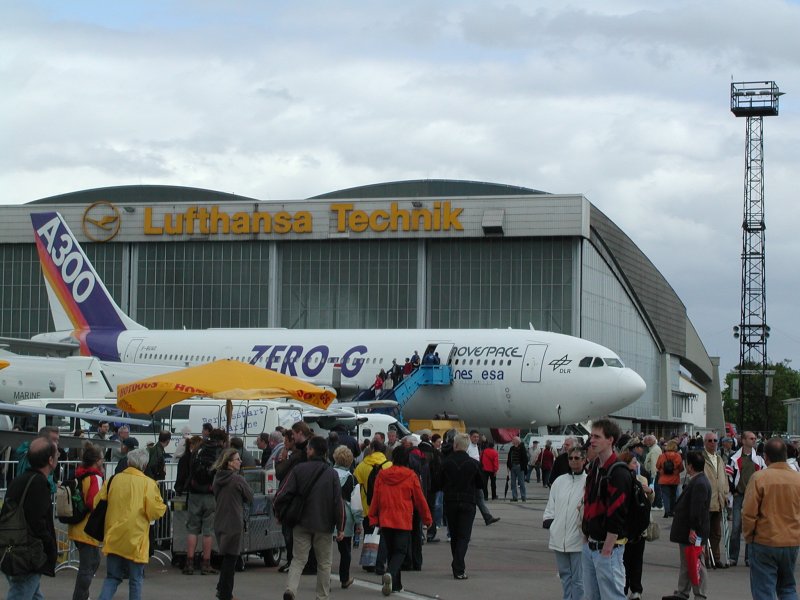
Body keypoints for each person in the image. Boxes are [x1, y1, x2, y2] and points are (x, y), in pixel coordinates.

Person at [274, 436, 345, 600]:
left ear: (312, 450)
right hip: (324, 524)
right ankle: (322, 596)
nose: (306, 451)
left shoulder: (298, 470)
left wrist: (279, 514)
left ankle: (291, 589)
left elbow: (282, 494)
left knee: (298, 559)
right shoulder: (332, 473)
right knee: (324, 563)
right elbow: (338, 503)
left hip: (301, 522)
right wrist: (340, 527)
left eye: (308, 449)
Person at [95, 447, 167, 600]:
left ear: (128, 462)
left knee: (112, 577)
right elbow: (155, 511)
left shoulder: (113, 480)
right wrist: (162, 506)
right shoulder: (148, 483)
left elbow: (97, 502)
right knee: (136, 580)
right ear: (144, 465)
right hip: (136, 538)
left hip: (114, 535)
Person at [369, 446, 432, 595]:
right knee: (401, 551)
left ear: (393, 458)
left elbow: (375, 498)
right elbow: (420, 500)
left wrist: (373, 517)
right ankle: (390, 574)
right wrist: (427, 519)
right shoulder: (411, 475)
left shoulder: (382, 475)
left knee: (392, 552)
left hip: (385, 519)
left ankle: (396, 585)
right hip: (403, 519)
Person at [742, 437, 800, 599]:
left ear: (766, 457)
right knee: (788, 587)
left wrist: (749, 536)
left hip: (765, 540)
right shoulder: (797, 479)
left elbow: (749, 513)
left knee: (764, 590)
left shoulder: (759, 478)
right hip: (791, 541)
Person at [1, 437, 58, 600]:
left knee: (33, 594)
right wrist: (50, 548)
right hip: (27, 556)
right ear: (50, 460)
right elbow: (38, 523)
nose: (59, 456)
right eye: (57, 454)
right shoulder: (38, 484)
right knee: (21, 593)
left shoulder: (19, 480)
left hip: (13, 550)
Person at [581, 418, 631, 600]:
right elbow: (588, 504)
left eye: (597, 437)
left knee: (612, 597)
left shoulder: (618, 472)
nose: (592, 440)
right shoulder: (595, 467)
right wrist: (585, 540)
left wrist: (606, 551)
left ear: (610, 440)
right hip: (591, 546)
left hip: (608, 550)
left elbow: (616, 515)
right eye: (591, 436)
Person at [662, 451, 711, 600]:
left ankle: (700, 594)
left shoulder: (699, 483)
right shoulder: (698, 480)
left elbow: (697, 509)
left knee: (696, 563)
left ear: (690, 466)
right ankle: (682, 592)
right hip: (690, 530)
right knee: (687, 562)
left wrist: (693, 529)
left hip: (693, 531)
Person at [543, 446, 587, 600]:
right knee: (564, 575)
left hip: (578, 538)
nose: (573, 461)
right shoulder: (560, 481)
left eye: (577, 458)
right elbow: (551, 504)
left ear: (584, 460)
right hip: (559, 536)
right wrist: (550, 522)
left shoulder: (588, 481)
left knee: (579, 578)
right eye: (570, 458)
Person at [440, 433, 484, 580]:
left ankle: (457, 564)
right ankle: (458, 566)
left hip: (451, 501)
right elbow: (481, 484)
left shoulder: (446, 462)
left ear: (455, 445)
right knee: (464, 536)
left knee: (454, 535)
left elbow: (437, 483)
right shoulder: (474, 464)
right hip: (468, 501)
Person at [184, 428, 227, 575]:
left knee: (192, 528)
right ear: (222, 440)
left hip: (194, 492)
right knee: (208, 531)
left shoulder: (198, 449)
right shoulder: (220, 452)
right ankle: (206, 563)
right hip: (210, 494)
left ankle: (189, 563)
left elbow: (190, 469)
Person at [212, 447, 253, 600]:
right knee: (231, 559)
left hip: (220, 519)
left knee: (227, 557)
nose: (240, 461)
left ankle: (221, 588)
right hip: (234, 521)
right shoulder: (237, 479)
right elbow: (250, 496)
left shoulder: (217, 478)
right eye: (237, 459)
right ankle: (226, 594)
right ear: (229, 463)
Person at [68, 442, 106, 600]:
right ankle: (80, 597)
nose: (103, 461)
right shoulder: (95, 477)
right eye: (102, 459)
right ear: (97, 461)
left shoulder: (80, 474)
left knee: (93, 561)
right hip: (88, 528)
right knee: (88, 566)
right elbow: (93, 502)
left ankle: (83, 595)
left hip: (77, 526)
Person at [725, 430, 766, 567]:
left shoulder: (759, 458)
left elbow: (764, 476)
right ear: (743, 441)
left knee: (752, 527)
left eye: (754, 438)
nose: (754, 440)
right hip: (739, 496)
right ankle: (733, 557)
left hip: (753, 497)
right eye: (751, 438)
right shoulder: (734, 458)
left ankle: (749, 557)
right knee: (736, 527)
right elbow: (729, 476)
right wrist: (733, 492)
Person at [618, 451, 654, 600]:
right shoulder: (620, 479)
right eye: (633, 462)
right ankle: (623, 589)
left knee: (637, 561)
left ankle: (636, 590)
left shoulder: (642, 479)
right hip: (626, 528)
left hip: (640, 528)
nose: (637, 464)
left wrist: (650, 491)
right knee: (624, 562)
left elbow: (649, 501)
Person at [353, 439, 392, 575]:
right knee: (383, 536)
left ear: (372, 449)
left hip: (368, 506)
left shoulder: (362, 465)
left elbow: (357, 484)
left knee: (369, 534)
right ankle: (380, 562)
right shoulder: (389, 465)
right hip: (384, 506)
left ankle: (369, 562)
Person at [333, 445, 361, 589]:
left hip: (328, 515)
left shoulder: (328, 473)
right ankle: (344, 578)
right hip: (346, 519)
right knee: (345, 551)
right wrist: (359, 522)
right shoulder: (351, 478)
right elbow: (356, 504)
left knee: (324, 551)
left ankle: (325, 579)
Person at [701, 432, 728, 569]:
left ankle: (716, 558)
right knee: (704, 532)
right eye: (710, 440)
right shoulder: (701, 458)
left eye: (715, 440)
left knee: (716, 533)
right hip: (707, 500)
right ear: (705, 442)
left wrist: (725, 493)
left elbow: (724, 477)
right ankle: (705, 558)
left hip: (719, 500)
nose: (713, 443)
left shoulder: (719, 458)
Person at [466, 430, 500, 525]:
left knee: (480, 498)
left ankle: (487, 517)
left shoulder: (476, 446)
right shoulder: (468, 447)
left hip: (476, 475)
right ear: (470, 437)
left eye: (477, 437)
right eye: (474, 437)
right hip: (470, 477)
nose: (476, 438)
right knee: (475, 499)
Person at [657, 440, 684, 518]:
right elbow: (681, 468)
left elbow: (657, 466)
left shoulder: (662, 456)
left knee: (665, 495)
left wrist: (662, 471)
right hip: (674, 479)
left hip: (663, 479)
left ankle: (666, 511)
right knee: (673, 495)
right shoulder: (678, 456)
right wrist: (676, 471)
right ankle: (672, 511)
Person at [643, 435, 663, 509]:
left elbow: (654, 463)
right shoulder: (653, 448)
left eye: (649, 440)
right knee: (656, 488)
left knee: (656, 488)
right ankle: (656, 504)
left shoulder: (655, 449)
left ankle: (658, 504)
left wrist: (653, 474)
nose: (647, 442)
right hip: (654, 472)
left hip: (655, 472)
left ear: (653, 441)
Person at [506, 436, 528, 501]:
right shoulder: (512, 448)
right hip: (512, 467)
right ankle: (514, 497)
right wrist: (508, 466)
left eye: (513, 440)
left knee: (521, 482)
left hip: (519, 467)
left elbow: (525, 459)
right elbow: (509, 458)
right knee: (513, 483)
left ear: (517, 441)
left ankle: (523, 496)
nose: (512, 441)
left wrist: (522, 466)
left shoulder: (522, 448)